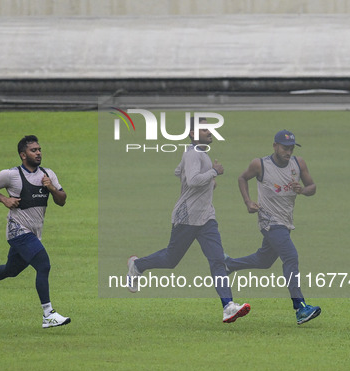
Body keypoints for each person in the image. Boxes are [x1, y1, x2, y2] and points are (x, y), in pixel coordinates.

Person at [127, 118, 251, 323]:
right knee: (170, 260)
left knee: (217, 261)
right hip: (186, 217)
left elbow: (179, 172)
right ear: (193, 133)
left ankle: (228, 306)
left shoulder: (197, 154)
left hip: (206, 218)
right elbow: (192, 180)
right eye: (204, 129)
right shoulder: (193, 153)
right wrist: (213, 173)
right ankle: (137, 265)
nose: (210, 131)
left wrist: (209, 183)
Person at [0, 135, 71, 328]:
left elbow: (62, 200)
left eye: (39, 149)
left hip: (34, 232)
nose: (38, 153)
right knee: (43, 265)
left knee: (10, 270)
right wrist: (4, 199)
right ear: (23, 155)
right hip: (17, 231)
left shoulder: (48, 174)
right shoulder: (10, 175)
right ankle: (48, 314)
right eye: (33, 150)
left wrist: (52, 188)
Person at [224, 130, 321, 325]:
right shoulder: (260, 165)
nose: (288, 151)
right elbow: (242, 178)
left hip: (285, 222)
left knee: (264, 260)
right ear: (274, 146)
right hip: (269, 221)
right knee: (291, 256)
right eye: (285, 148)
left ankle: (228, 265)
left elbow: (313, 187)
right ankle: (300, 308)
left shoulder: (298, 163)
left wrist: (302, 190)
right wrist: (248, 202)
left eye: (291, 148)